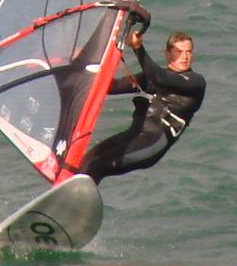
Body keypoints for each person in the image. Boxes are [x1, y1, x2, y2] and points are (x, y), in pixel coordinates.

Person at [79, 21, 205, 184]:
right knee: (85, 161)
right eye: (179, 52)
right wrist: (84, 67)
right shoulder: (151, 79)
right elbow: (112, 87)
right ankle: (63, 198)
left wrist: (138, 48)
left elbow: (159, 77)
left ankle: (77, 206)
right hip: (133, 135)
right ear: (167, 53)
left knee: (97, 166)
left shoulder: (194, 82)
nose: (185, 56)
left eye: (189, 52)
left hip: (154, 142)